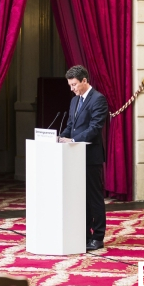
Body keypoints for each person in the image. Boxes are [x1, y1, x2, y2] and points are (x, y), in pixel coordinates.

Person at [58, 65, 109, 251]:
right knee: (81, 198)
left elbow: (95, 128)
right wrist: (58, 138)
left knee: (94, 198)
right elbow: (71, 125)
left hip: (91, 157)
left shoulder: (98, 99)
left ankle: (98, 236)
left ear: (85, 81)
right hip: (74, 157)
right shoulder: (74, 101)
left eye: (74, 85)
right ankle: (84, 234)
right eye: (70, 85)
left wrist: (72, 140)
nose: (72, 89)